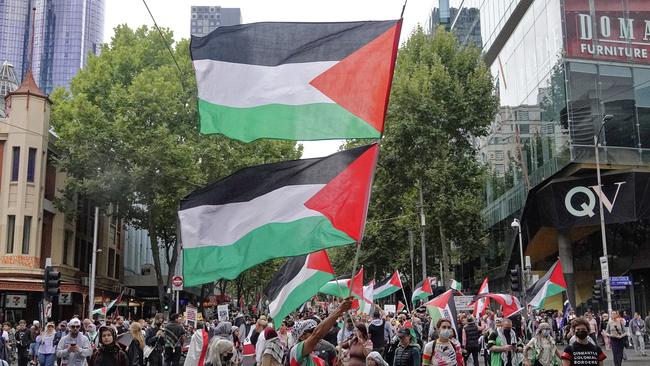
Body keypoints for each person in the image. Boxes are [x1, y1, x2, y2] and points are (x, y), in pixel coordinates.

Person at [288, 297, 352, 365]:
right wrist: (340, 310)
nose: (315, 332)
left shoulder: (315, 357)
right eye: (312, 330)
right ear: (301, 336)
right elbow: (317, 334)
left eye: (315, 329)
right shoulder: (295, 351)